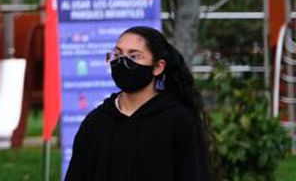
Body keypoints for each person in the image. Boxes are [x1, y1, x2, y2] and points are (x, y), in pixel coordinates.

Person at [64, 26, 215, 181]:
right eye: (118, 54)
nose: (122, 61)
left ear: (158, 67)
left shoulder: (178, 121)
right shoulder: (96, 122)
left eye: (134, 56)